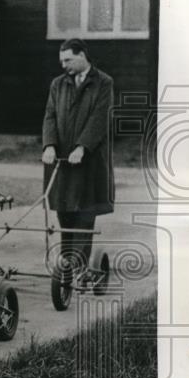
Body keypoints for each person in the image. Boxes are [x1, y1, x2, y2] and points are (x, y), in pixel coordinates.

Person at [41, 38, 115, 286]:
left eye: (68, 60)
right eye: (62, 61)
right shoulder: (57, 84)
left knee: (84, 214)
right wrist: (49, 145)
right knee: (65, 214)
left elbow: (99, 118)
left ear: (82, 55)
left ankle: (82, 269)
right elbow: (50, 115)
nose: (64, 66)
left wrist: (83, 147)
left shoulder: (103, 83)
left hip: (89, 162)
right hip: (62, 161)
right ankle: (67, 265)